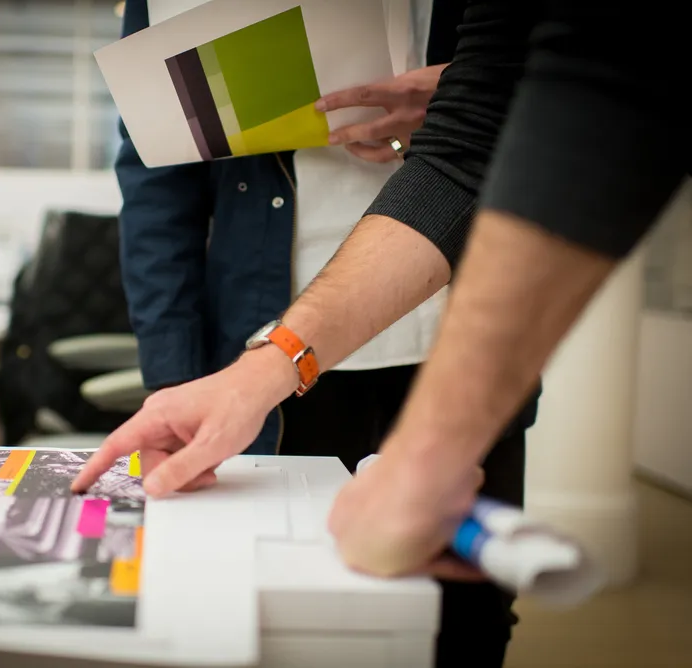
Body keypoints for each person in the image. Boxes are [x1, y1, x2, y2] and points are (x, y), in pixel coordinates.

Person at [75, 0, 688, 580]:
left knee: (459, 618)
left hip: (446, 332)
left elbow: (571, 95)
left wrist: (427, 458)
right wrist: (232, 377)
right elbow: (471, 146)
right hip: (277, 341)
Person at [90, 1, 536, 665]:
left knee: (464, 614)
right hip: (273, 359)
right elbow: (159, 187)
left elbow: (543, 122)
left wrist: (475, 111)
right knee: (286, 613)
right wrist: (181, 382)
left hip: (462, 345)